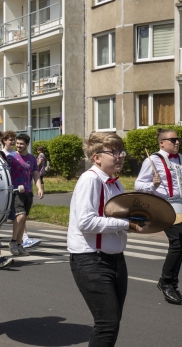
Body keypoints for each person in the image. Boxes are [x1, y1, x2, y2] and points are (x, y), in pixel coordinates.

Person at [68, 132, 150, 346]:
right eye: (113, 152)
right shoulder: (90, 180)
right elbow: (85, 222)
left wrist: (139, 221)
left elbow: (117, 220)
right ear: (96, 157)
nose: (120, 156)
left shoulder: (115, 184)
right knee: (107, 323)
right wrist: (127, 224)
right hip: (91, 260)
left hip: (115, 259)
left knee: (111, 322)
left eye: (120, 151)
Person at [135, 128, 182, 304]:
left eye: (178, 140)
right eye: (173, 140)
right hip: (163, 206)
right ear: (162, 143)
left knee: (180, 243)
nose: (177, 142)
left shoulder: (180, 159)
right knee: (177, 241)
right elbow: (138, 184)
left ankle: (169, 282)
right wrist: (152, 185)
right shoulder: (153, 160)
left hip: (180, 204)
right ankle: (167, 282)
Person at [6, 134, 44, 257]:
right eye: (17, 143)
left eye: (21, 144)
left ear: (27, 144)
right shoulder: (11, 157)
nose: (18, 145)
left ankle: (19, 244)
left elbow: (36, 174)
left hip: (28, 191)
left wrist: (39, 188)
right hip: (16, 191)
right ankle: (13, 241)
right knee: (20, 216)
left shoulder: (32, 158)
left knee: (23, 219)